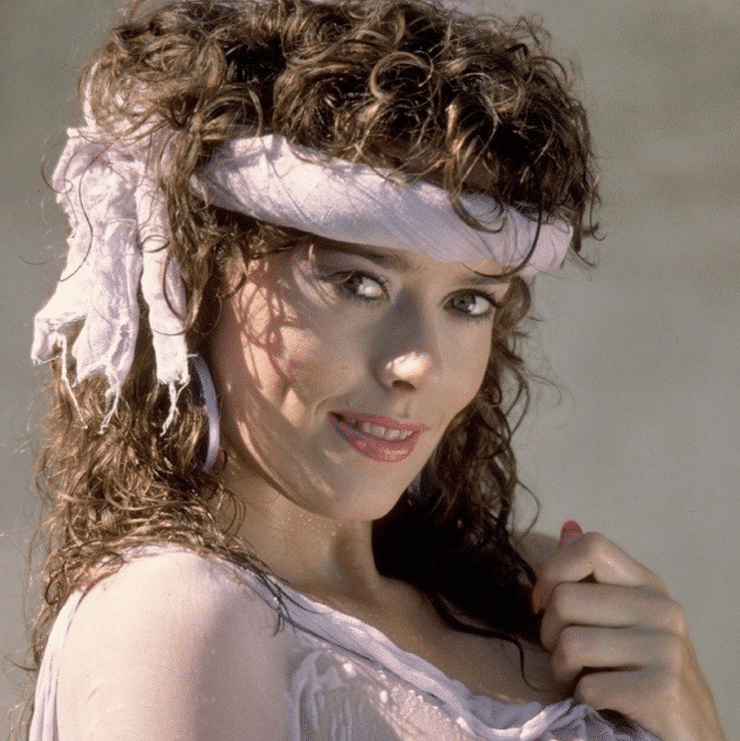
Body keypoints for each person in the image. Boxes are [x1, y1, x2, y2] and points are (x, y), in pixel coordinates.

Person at [24, 0, 725, 739]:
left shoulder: (547, 604)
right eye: (359, 283)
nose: (420, 361)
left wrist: (692, 716)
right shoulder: (174, 618)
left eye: (469, 301)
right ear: (195, 274)